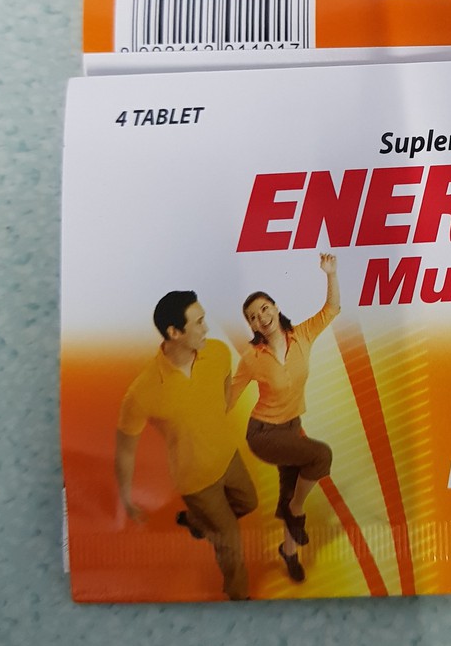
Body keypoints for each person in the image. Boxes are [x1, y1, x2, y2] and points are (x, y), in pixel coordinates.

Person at [115, 290, 258, 600]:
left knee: (249, 503)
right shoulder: (142, 392)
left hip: (228, 456)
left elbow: (224, 391)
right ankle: (240, 597)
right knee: (229, 538)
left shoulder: (218, 352)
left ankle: (196, 522)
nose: (207, 328)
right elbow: (125, 448)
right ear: (174, 332)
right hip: (195, 480)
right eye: (199, 322)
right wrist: (125, 497)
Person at [230, 253, 340, 583]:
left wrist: (330, 274)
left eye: (265, 309)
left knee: (290, 486)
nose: (261, 317)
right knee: (321, 455)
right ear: (251, 326)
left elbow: (332, 309)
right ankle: (295, 510)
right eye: (253, 317)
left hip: (291, 427)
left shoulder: (302, 335)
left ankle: (289, 552)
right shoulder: (252, 358)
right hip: (264, 433)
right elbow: (230, 395)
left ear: (276, 309)